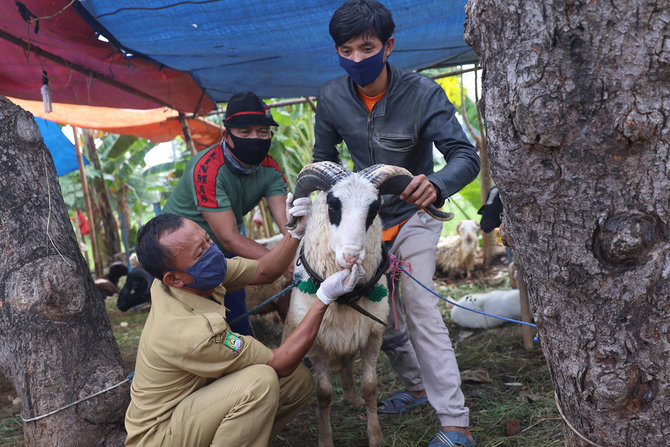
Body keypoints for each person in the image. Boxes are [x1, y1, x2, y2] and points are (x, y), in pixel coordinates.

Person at [313, 1, 481, 446]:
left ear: (388, 46)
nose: (356, 59)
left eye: (365, 48)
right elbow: (323, 162)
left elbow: (465, 156)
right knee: (378, 315)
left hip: (415, 218)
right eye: (344, 50)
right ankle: (416, 389)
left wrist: (439, 185)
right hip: (363, 224)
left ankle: (455, 424)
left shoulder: (423, 93)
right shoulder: (330, 97)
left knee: (421, 311)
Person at [124, 203, 365, 447]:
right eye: (200, 252)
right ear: (173, 279)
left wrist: (294, 232)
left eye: (208, 240)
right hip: (159, 435)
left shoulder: (190, 277)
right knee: (260, 382)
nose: (211, 251)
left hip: (191, 406)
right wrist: (323, 299)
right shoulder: (194, 332)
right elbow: (279, 362)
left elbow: (264, 270)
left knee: (297, 382)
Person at [162, 92, 289, 335]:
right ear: (226, 135)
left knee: (235, 306)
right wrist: (280, 263)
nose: (255, 138)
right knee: (196, 317)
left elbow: (287, 227)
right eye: (245, 132)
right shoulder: (206, 168)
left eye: (263, 132)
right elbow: (230, 236)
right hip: (180, 247)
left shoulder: (271, 170)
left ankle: (243, 357)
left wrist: (295, 255)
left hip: (222, 243)